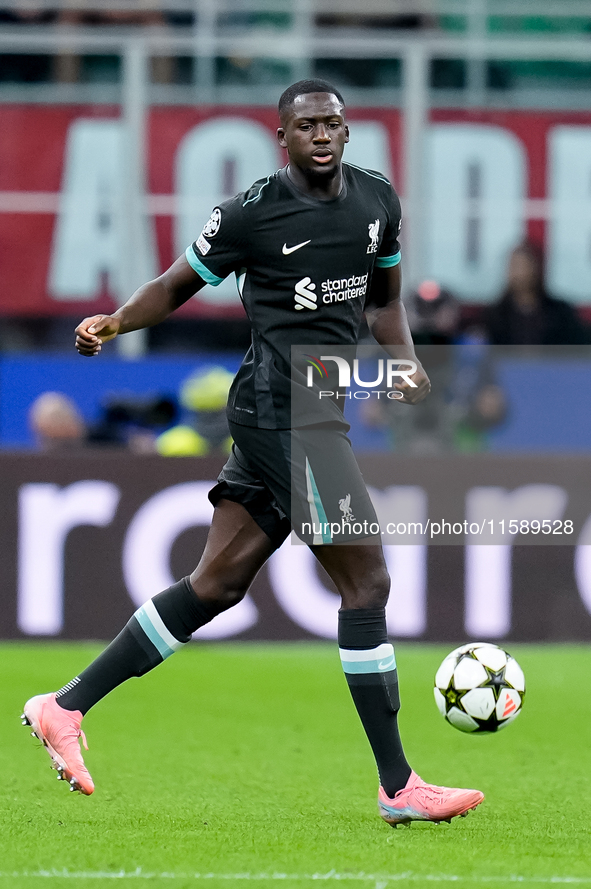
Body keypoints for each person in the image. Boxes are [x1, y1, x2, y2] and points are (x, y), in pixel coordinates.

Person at [22, 80, 484, 827]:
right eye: (306, 125)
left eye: (332, 123)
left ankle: (64, 706)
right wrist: (114, 322)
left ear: (346, 130)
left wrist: (402, 359)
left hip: (315, 404)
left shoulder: (376, 201)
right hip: (279, 410)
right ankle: (399, 786)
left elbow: (383, 301)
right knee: (365, 580)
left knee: (216, 584)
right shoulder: (249, 213)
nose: (322, 135)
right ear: (282, 136)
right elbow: (175, 285)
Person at [485, 241, 588, 346]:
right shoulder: (494, 317)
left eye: (524, 265)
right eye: (514, 266)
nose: (519, 273)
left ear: (537, 268)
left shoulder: (561, 314)